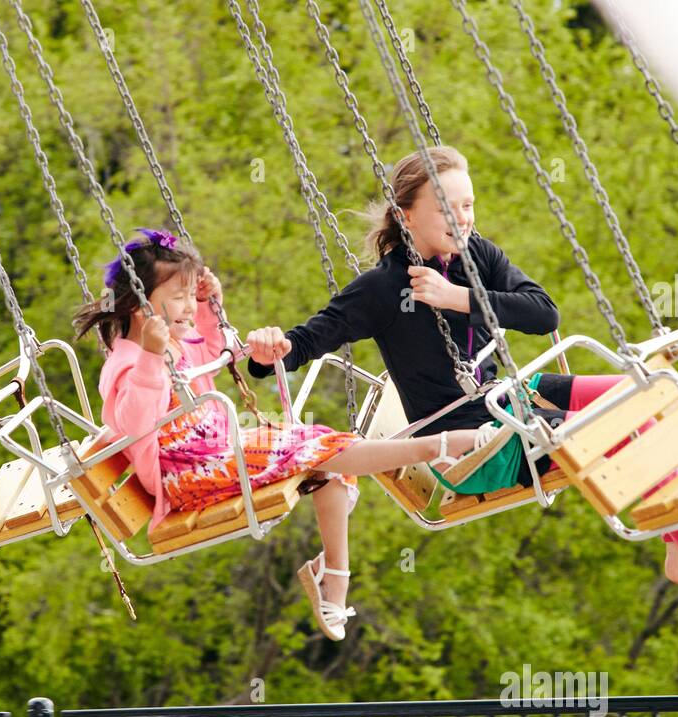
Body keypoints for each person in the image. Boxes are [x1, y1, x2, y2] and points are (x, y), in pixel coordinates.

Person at [247, 146, 678, 614]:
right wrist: (270, 349)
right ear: (407, 215)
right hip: (478, 444)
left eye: (469, 206)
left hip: (514, 401)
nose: (463, 219)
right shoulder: (379, 290)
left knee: (648, 399)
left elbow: (543, 313)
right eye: (448, 208)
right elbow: (303, 343)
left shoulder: (479, 258)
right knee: (616, 430)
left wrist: (460, 298)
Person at [73, 228, 496, 639]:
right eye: (177, 297)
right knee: (315, 448)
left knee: (325, 458)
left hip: (218, 455)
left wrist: (207, 306)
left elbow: (209, 349)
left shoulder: (174, 343)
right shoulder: (126, 363)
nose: (185, 306)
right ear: (139, 306)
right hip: (187, 478)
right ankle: (436, 445)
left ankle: (333, 578)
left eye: (189, 294)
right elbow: (132, 422)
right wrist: (149, 356)